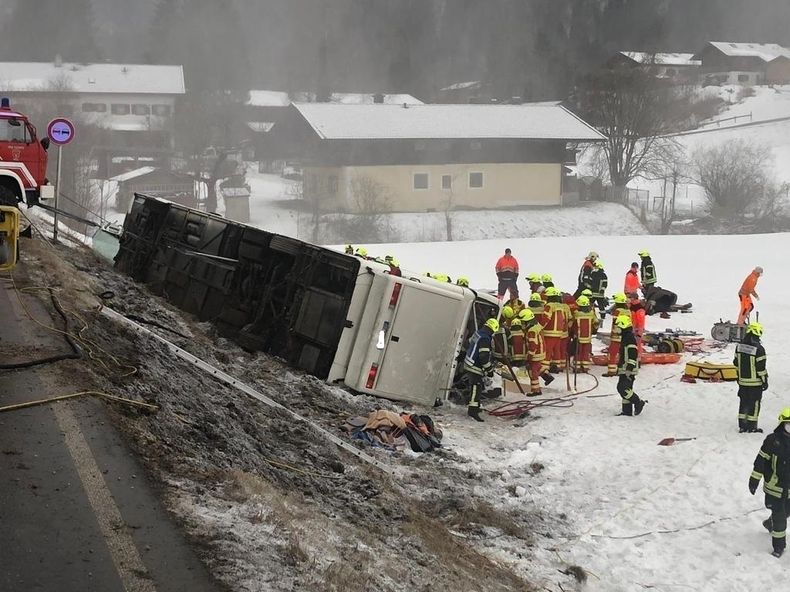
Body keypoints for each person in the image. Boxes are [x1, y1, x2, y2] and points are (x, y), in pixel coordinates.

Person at [748, 408, 790, 557]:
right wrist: (754, 479)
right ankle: (779, 547)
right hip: (774, 488)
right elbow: (761, 461)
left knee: (786, 512)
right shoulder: (772, 441)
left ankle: (769, 523)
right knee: (780, 518)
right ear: (782, 424)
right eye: (788, 425)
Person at [735, 322, 768, 433]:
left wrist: (739, 378)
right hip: (755, 383)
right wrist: (765, 381)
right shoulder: (759, 349)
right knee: (754, 403)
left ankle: (742, 425)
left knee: (743, 402)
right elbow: (761, 368)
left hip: (742, 382)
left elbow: (736, 363)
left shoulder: (739, 346)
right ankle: (752, 426)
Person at [463, 318, 498, 422]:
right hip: (475, 366)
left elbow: (467, 344)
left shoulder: (478, 333)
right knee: (476, 387)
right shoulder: (485, 339)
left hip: (469, 362)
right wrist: (489, 369)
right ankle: (472, 411)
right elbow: (483, 357)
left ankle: (476, 406)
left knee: (478, 386)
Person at [614, 314, 646, 417]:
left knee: (622, 388)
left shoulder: (629, 338)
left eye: (618, 326)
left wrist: (629, 368)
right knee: (627, 389)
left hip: (628, 369)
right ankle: (627, 411)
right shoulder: (626, 336)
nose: (617, 329)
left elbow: (633, 354)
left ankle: (638, 402)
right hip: (624, 368)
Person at [542, 286, 570, 373]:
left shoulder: (549, 306)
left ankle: (544, 368)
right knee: (557, 349)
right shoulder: (561, 306)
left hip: (549, 332)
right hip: (559, 333)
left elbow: (546, 318)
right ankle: (557, 366)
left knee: (548, 350)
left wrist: (539, 327)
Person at [604, 293, 631, 377]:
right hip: (625, 336)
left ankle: (611, 371)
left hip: (617, 337)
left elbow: (615, 324)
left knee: (612, 354)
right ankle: (621, 370)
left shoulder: (618, 311)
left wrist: (613, 334)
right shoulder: (628, 311)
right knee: (622, 353)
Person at [571, 295, 598, 373]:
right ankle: (585, 367)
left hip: (578, 337)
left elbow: (571, 324)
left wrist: (572, 333)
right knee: (585, 352)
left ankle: (577, 367)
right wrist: (594, 330)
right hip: (588, 337)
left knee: (578, 352)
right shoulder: (591, 313)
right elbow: (596, 323)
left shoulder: (576, 314)